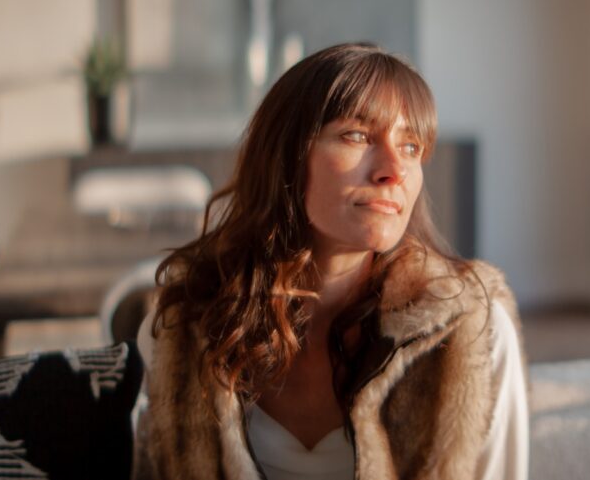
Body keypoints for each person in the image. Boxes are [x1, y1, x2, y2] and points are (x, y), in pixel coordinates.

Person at [135, 43, 528, 480]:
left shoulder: (471, 337)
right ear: (286, 154)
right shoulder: (184, 332)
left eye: (412, 146)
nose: (394, 171)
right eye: (357, 135)